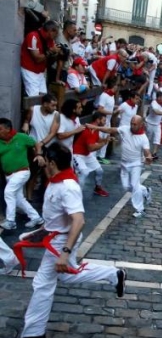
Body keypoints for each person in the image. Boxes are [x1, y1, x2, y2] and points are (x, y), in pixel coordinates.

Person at [20, 142, 127, 338]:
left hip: (62, 241)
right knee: (67, 275)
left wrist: (65, 252)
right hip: (55, 237)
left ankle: (33, 332)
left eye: (46, 160)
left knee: (43, 283)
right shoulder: (56, 177)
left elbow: (79, 220)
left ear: (52, 162)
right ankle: (114, 274)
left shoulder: (68, 187)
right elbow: (51, 182)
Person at [88, 115, 153, 218]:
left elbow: (146, 152)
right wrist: (97, 128)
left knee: (135, 185)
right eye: (131, 123)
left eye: (135, 124)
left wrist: (149, 157)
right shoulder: (125, 129)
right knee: (126, 186)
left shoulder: (143, 138)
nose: (132, 126)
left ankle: (140, 209)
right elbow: (111, 129)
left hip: (136, 164)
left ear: (141, 125)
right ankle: (145, 190)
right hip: (124, 164)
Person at [0, 118, 45, 231]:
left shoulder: (21, 137)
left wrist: (39, 154)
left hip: (22, 172)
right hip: (9, 176)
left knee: (9, 192)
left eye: (0, 129)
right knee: (19, 199)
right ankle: (36, 218)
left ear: (8, 129)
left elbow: (36, 143)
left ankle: (11, 221)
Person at [72, 112, 110, 197]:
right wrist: (103, 144)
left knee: (99, 170)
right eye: (104, 120)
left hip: (86, 154)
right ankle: (76, 195)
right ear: (98, 120)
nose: (105, 122)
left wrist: (105, 140)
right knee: (84, 172)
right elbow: (91, 148)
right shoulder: (89, 131)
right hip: (77, 155)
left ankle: (98, 188)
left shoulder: (95, 129)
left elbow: (97, 139)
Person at [95, 78, 118, 164]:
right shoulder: (104, 95)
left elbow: (110, 105)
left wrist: (116, 108)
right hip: (102, 120)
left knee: (106, 138)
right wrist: (112, 112)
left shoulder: (112, 96)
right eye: (115, 87)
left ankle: (102, 156)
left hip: (108, 120)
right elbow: (100, 109)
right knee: (100, 138)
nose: (116, 89)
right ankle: (96, 156)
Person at [145, 91, 162, 160]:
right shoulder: (153, 103)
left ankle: (154, 153)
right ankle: (146, 153)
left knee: (157, 139)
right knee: (147, 139)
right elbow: (156, 112)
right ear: (158, 97)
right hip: (150, 123)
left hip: (157, 124)